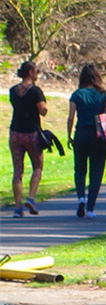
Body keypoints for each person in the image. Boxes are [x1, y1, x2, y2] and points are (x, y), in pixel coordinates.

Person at [65, 64, 106, 218]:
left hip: (81, 133)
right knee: (96, 171)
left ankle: (80, 197)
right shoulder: (103, 94)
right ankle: (91, 208)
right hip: (98, 135)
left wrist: (69, 136)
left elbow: (71, 117)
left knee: (79, 169)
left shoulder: (77, 95)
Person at [8, 60, 46, 217]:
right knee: (37, 166)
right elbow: (42, 110)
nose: (37, 74)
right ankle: (30, 197)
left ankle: (17, 208)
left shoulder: (13, 90)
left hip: (15, 132)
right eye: (36, 71)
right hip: (31, 133)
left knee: (18, 170)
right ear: (30, 72)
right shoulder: (35, 91)